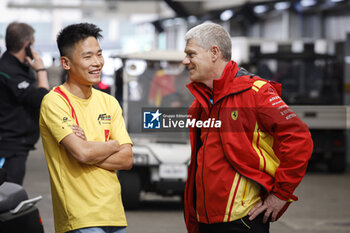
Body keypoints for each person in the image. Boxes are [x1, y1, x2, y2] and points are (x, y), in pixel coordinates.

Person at [182, 23, 313, 233]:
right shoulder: (199, 104)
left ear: (214, 52)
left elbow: (298, 138)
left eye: (191, 54)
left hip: (241, 221)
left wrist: (281, 194)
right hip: (204, 220)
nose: (185, 61)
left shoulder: (256, 93)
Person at [39, 23, 133, 233]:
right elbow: (81, 153)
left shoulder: (109, 103)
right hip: (79, 217)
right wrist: (112, 145)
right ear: (66, 63)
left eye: (99, 55)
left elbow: (127, 159)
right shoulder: (55, 102)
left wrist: (91, 149)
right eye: (88, 56)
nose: (97, 62)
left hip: (114, 215)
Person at [0, 22, 49, 185]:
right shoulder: (8, 71)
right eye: (33, 45)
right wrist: (41, 70)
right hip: (10, 147)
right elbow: (42, 99)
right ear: (27, 45)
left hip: (17, 145)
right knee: (8, 193)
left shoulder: (17, 67)